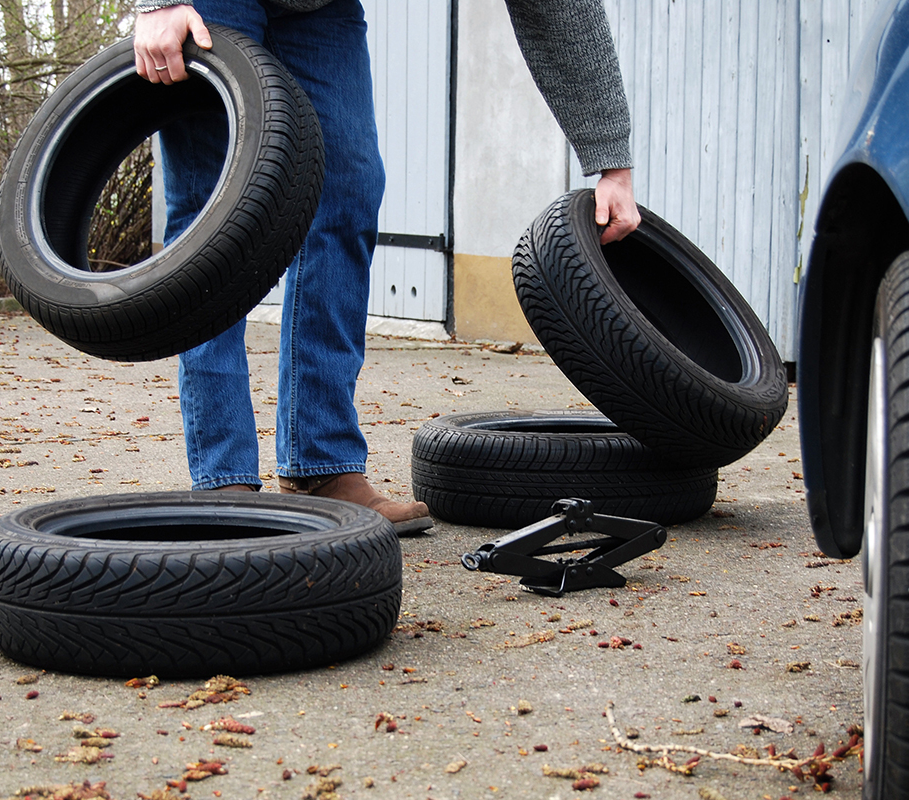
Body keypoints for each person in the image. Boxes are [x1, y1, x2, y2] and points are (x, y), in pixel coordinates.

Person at [133, 0, 640, 534]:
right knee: (216, 207)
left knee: (347, 189)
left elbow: (560, 9)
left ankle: (320, 463)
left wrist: (611, 161)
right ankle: (223, 477)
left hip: (318, 9)